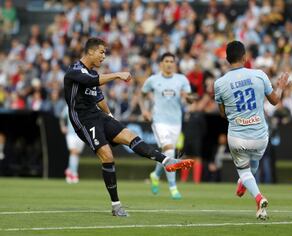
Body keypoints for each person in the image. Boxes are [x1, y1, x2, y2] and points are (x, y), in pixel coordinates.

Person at [63, 38, 194, 217]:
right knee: (107, 156)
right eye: (101, 52)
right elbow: (94, 81)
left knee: (129, 135)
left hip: (98, 115)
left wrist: (110, 117)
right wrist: (117, 74)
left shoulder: (92, 73)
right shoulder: (75, 71)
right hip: (82, 119)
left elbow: (99, 99)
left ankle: (166, 161)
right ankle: (116, 205)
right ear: (90, 52)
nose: (104, 56)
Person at [214, 41, 289, 220]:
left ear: (226, 59)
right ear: (245, 57)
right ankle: (244, 184)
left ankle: (258, 196)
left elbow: (222, 113)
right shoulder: (259, 75)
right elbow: (274, 101)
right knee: (253, 165)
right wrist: (281, 87)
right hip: (260, 135)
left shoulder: (219, 83)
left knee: (244, 170)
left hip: (237, 136)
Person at [139, 52, 196, 200]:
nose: (169, 63)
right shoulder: (153, 80)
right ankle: (173, 187)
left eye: (172, 61)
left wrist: (187, 97)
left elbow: (190, 101)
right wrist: (144, 110)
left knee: (167, 155)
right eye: (166, 61)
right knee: (169, 151)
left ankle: (155, 174)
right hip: (159, 121)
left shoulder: (182, 80)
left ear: (175, 64)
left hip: (176, 122)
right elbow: (142, 94)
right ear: (161, 64)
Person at [60, 106, 85, 184]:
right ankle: (74, 174)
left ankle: (69, 170)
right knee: (73, 152)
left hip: (81, 134)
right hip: (70, 134)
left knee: (76, 153)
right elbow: (62, 117)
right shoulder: (68, 107)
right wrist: (62, 127)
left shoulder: (84, 106)